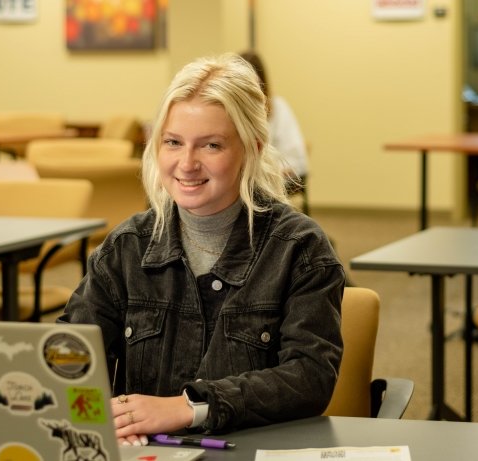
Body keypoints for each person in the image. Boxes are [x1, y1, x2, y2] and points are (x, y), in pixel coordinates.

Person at [59, 53, 344, 447]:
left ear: (253, 149)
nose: (187, 163)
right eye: (173, 142)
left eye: (211, 145)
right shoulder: (125, 248)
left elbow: (309, 377)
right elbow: (70, 360)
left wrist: (191, 407)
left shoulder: (300, 250)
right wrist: (105, 418)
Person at [238, 50, 309, 190]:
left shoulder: (279, 108)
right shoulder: (229, 111)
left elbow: (296, 161)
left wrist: (264, 173)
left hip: (270, 179)